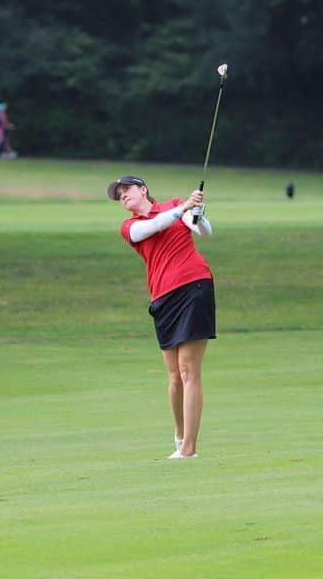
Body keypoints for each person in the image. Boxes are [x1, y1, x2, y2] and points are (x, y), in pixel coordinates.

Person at [109, 175, 214, 459]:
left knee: (187, 370)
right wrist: (182, 209)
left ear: (143, 189)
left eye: (126, 190)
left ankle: (189, 449)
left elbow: (205, 231)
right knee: (174, 377)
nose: (122, 196)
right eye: (118, 195)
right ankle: (179, 438)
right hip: (162, 298)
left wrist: (197, 213)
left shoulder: (176, 205)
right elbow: (154, 226)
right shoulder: (130, 226)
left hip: (195, 286)